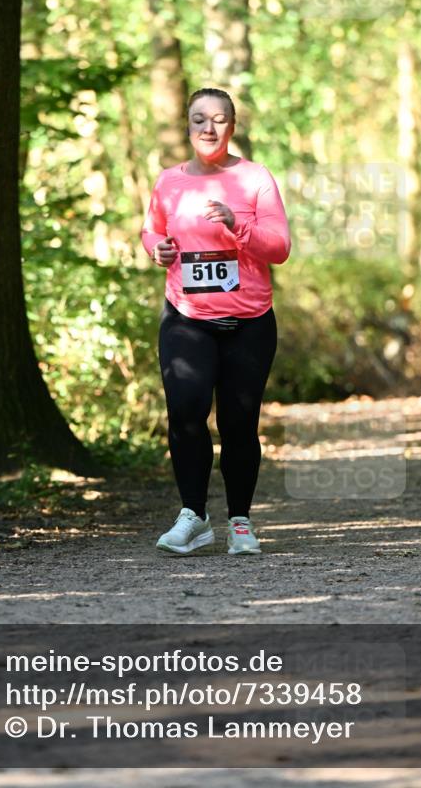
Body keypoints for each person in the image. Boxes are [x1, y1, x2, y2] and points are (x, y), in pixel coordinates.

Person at [141, 88, 291, 556]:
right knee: (185, 413)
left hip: (249, 320)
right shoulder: (169, 181)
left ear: (232, 126)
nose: (209, 128)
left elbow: (280, 248)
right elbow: (152, 230)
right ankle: (193, 516)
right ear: (187, 126)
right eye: (199, 119)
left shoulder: (255, 179)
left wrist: (236, 225)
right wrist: (155, 248)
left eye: (219, 119)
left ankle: (240, 521)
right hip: (187, 317)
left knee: (239, 423)